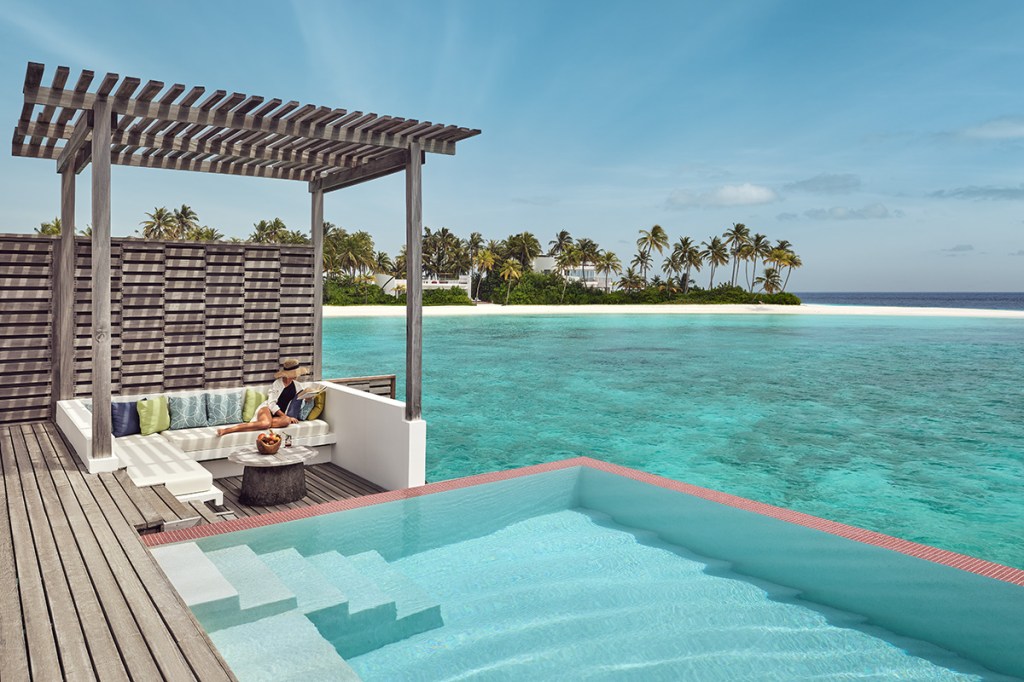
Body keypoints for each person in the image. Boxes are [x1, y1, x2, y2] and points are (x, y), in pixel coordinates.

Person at [216, 358, 313, 436]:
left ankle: (262, 424)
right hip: (267, 409)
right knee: (267, 423)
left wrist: (308, 398)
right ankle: (229, 430)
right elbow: (271, 404)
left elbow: (300, 400)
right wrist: (284, 416)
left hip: (279, 417)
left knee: (286, 421)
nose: (296, 375)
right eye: (294, 373)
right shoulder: (277, 384)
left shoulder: (298, 385)